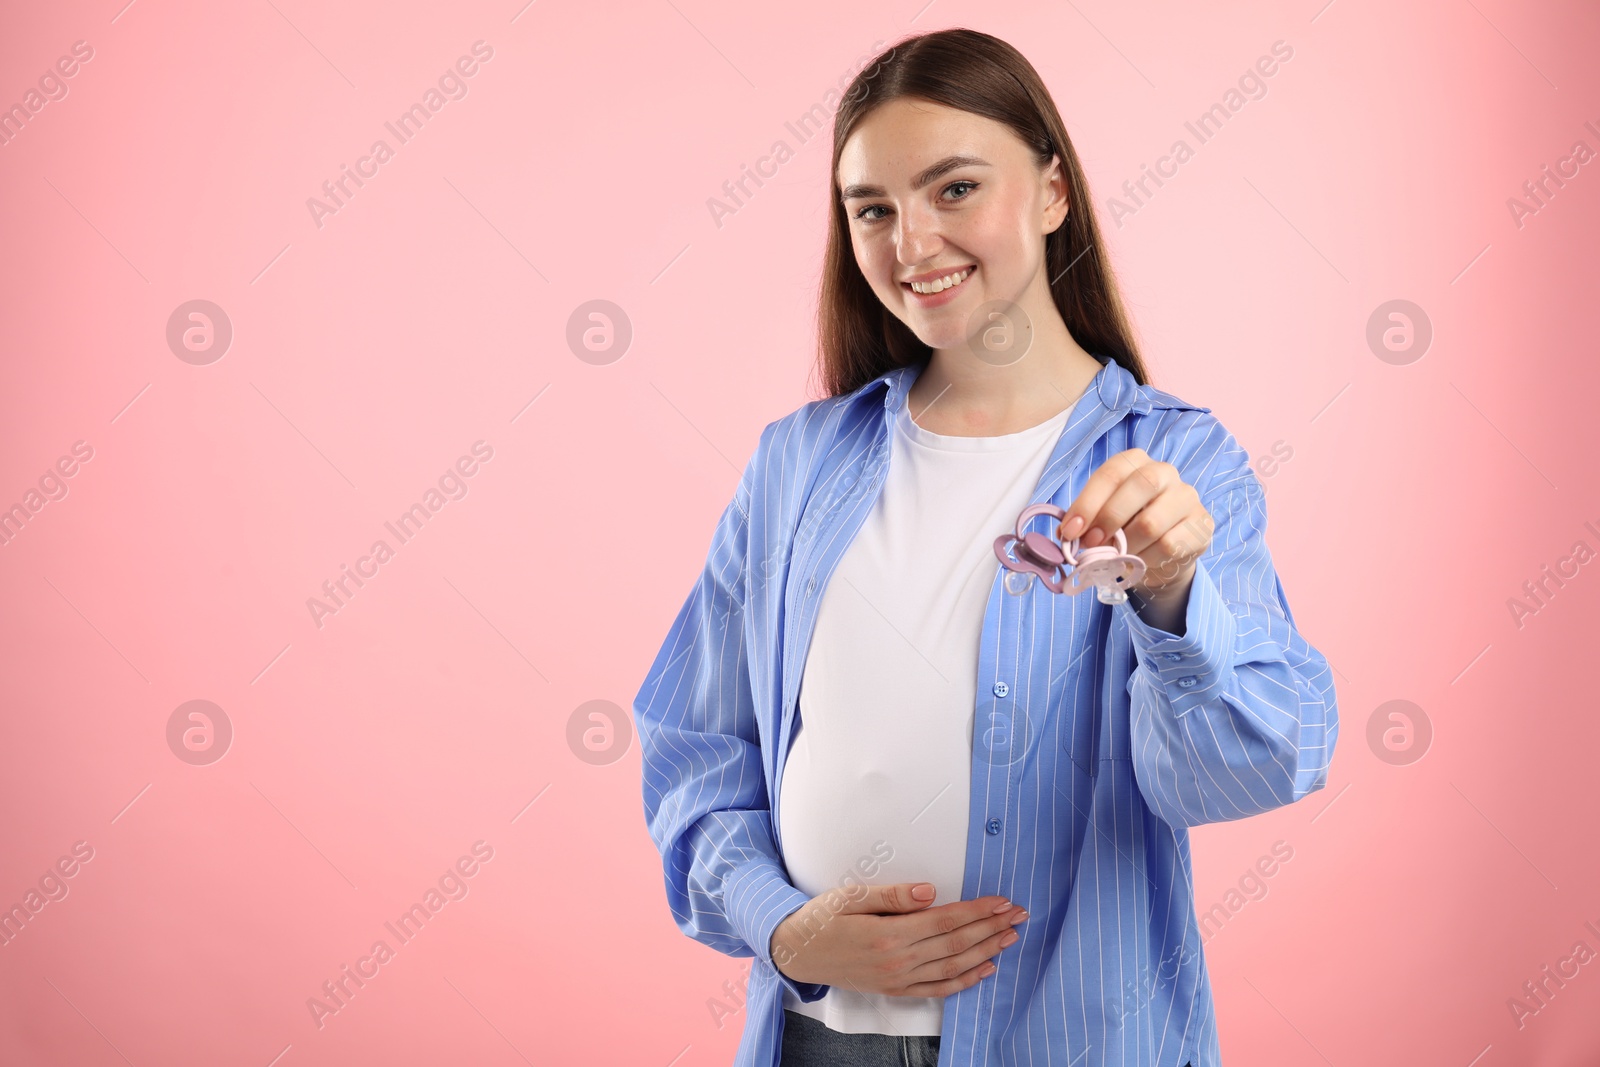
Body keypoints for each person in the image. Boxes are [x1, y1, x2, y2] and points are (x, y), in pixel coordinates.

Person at [633, 27, 1338, 1067]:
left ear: (1052, 191)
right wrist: (783, 928)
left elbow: (1250, 768)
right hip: (816, 1040)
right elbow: (693, 751)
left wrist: (1172, 595)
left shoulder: (1177, 460)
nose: (910, 244)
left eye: (954, 189)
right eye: (872, 208)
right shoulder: (793, 466)